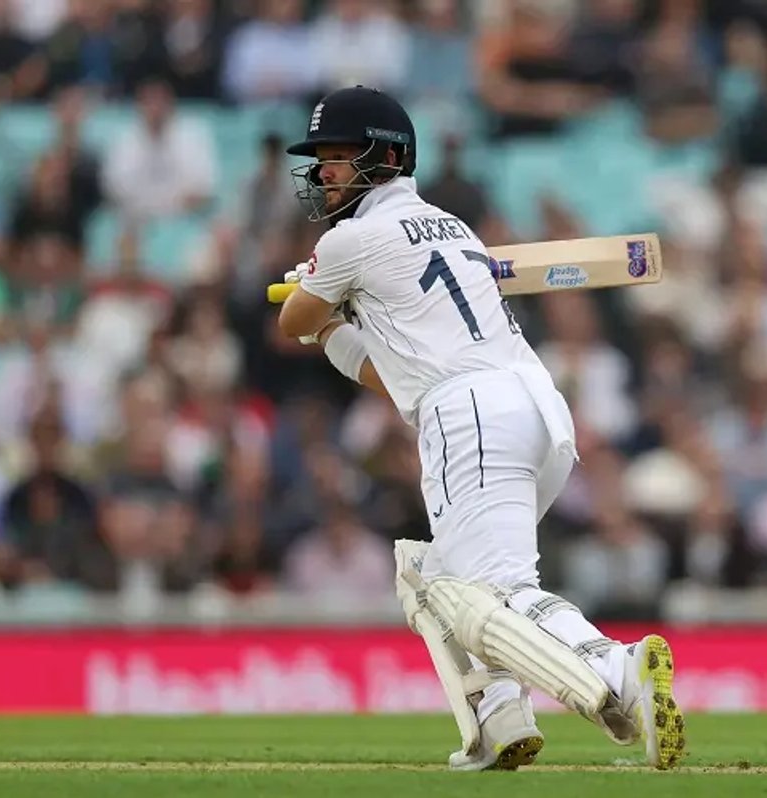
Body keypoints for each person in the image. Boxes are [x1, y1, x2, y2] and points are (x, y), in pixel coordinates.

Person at [275, 85, 686, 771]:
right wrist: (340, 315)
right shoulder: (452, 226)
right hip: (534, 406)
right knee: (433, 577)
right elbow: (393, 374)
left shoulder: (349, 240)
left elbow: (291, 323)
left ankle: (618, 671)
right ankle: (500, 718)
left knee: (494, 591)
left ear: (386, 156)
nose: (323, 174)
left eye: (338, 158)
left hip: (467, 415)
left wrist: (315, 298)